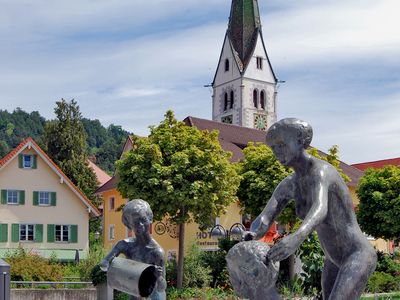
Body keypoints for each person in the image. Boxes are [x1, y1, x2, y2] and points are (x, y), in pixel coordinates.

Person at [246, 118, 376, 300]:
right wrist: (252, 234)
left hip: (357, 254)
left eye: (281, 145)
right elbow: (265, 217)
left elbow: (320, 209)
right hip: (332, 259)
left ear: (300, 141)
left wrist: (296, 238)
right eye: (273, 148)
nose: (277, 152)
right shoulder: (289, 184)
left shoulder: (322, 172)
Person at [101, 199, 166, 300]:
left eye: (143, 219)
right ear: (129, 225)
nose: (140, 225)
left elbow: (162, 288)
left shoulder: (156, 252)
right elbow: (104, 264)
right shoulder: (124, 245)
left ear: (150, 219)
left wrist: (158, 277)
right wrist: (109, 263)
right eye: (135, 222)